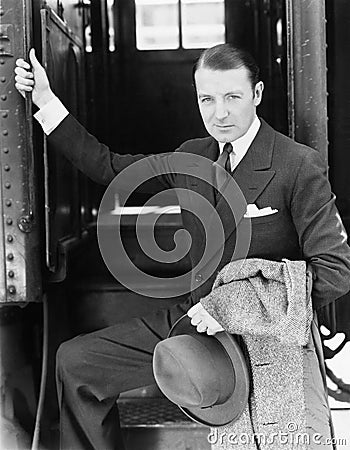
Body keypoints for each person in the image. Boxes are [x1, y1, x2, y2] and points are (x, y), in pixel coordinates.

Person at [15, 44, 350, 449]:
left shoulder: (298, 164)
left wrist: (231, 308)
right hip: (193, 321)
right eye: (207, 99)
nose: (220, 113)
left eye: (233, 97)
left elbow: (334, 272)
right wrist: (47, 103)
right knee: (76, 362)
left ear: (257, 94)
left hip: (264, 338)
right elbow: (109, 167)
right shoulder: (192, 156)